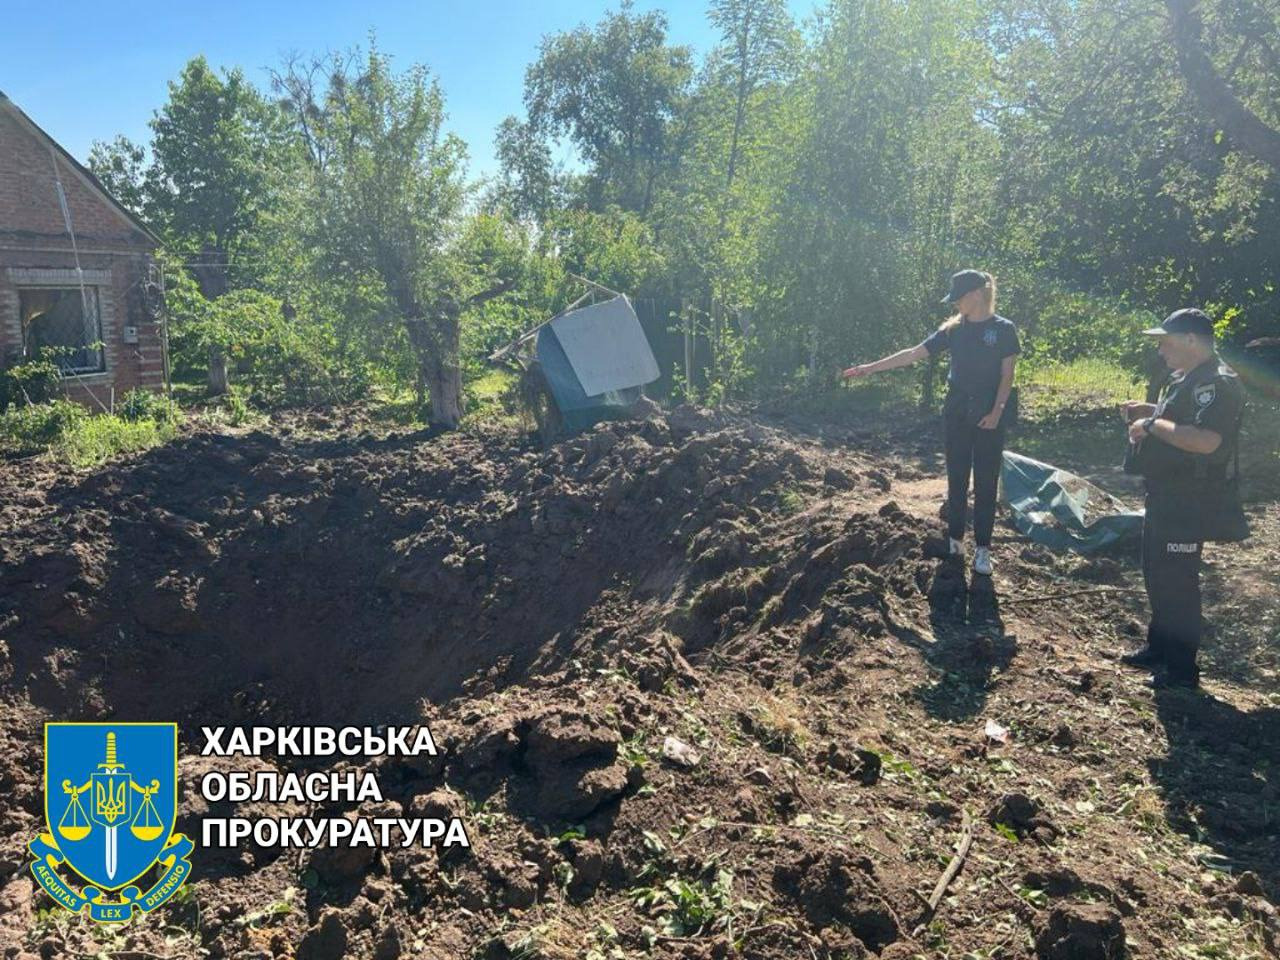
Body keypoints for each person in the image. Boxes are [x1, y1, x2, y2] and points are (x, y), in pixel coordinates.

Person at [843, 270, 1019, 576]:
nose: (956, 304)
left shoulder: (1003, 330)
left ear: (977, 294)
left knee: (986, 481)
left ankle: (983, 549)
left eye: (959, 298)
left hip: (990, 414)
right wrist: (870, 368)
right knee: (957, 478)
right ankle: (955, 543)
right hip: (957, 412)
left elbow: (1007, 375)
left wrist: (997, 411)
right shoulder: (953, 331)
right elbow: (913, 354)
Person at [1120, 308, 1244, 689]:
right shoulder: (1189, 378)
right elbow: (1183, 418)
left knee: (1178, 581)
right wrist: (1151, 411)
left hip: (1190, 497)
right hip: (1165, 492)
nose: (1160, 350)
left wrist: (1151, 424)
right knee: (1156, 571)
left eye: (1166, 342)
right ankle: (1159, 647)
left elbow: (1206, 440)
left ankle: (1181, 668)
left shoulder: (1218, 382)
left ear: (1191, 340)